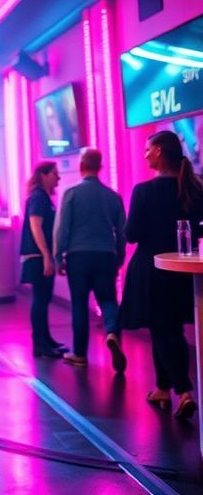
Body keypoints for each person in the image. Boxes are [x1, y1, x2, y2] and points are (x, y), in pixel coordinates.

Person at [120, 130, 203, 420]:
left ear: (158, 152)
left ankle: (184, 392)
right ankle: (161, 389)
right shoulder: (196, 188)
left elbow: (131, 235)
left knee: (163, 331)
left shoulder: (144, 191)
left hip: (152, 270)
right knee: (166, 329)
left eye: (147, 149)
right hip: (185, 270)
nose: (144, 155)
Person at [54, 149, 127, 371]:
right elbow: (121, 232)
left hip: (78, 257)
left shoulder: (72, 194)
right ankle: (113, 332)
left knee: (79, 304)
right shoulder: (113, 196)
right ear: (100, 167)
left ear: (81, 166)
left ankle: (79, 354)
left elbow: (62, 229)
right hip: (106, 255)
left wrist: (58, 256)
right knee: (108, 301)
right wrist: (119, 257)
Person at [20, 161, 66, 358]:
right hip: (38, 257)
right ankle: (40, 344)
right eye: (55, 173)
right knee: (40, 299)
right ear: (44, 175)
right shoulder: (39, 198)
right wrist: (47, 255)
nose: (58, 177)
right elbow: (35, 226)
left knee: (44, 299)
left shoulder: (43, 197)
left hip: (41, 256)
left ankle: (45, 339)